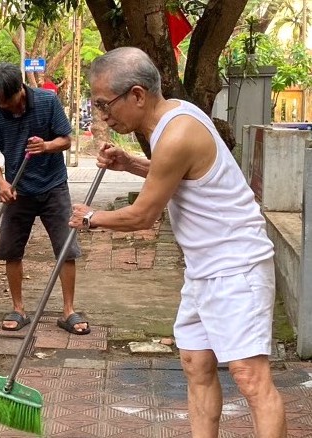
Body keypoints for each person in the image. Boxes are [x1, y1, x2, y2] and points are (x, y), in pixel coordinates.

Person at [69, 47, 286, 437]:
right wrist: (130, 163)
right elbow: (177, 175)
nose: (102, 115)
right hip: (204, 269)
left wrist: (90, 217)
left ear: (137, 95)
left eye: (105, 104)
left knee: (250, 377)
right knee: (196, 365)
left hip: (238, 266)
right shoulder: (172, 119)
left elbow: (142, 216)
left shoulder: (178, 131)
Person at [0, 62, 88, 335]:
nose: (8, 108)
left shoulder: (47, 101)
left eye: (11, 101)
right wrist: (1, 183)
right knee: (10, 251)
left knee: (66, 249)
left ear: (21, 89)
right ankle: (18, 308)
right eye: (0, 104)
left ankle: (69, 311)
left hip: (53, 187)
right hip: (17, 191)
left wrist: (46, 146)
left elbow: (66, 140)